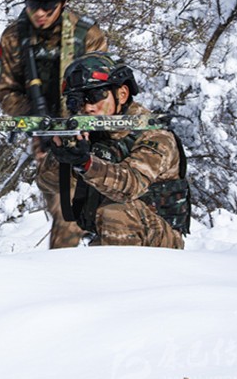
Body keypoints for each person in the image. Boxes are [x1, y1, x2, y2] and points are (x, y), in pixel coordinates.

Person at [0, 0, 108, 248]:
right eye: (34, 5)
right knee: (65, 209)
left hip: (91, 132)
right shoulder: (13, 37)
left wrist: (78, 122)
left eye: (48, 6)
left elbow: (102, 90)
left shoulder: (87, 35)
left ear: (64, 2)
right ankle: (59, 280)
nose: (40, 13)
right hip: (46, 137)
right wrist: (39, 119)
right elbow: (7, 94)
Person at [37, 52, 190, 248]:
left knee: (117, 213)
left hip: (159, 240)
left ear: (122, 94)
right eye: (78, 101)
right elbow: (46, 183)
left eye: (94, 96)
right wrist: (62, 156)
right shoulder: (90, 133)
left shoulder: (155, 135)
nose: (88, 107)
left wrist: (86, 164)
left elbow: (130, 186)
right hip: (112, 235)